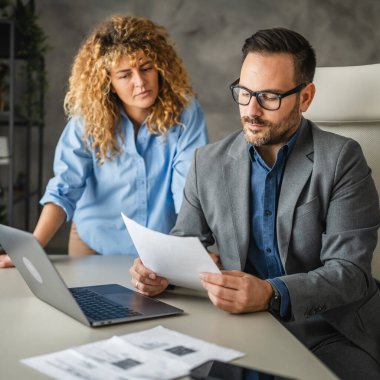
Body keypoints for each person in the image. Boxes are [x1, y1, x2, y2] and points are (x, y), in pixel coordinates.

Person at [130, 28, 380, 378]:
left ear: (305, 98)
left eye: (269, 97)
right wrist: (160, 274)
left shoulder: (341, 159)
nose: (252, 110)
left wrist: (270, 293)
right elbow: (185, 247)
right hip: (240, 327)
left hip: (328, 330)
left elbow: (351, 274)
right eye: (244, 93)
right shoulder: (207, 162)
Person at [0, 14, 208, 267]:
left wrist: (192, 251)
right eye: (124, 75)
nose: (140, 82)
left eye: (146, 68)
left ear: (160, 66)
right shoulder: (87, 120)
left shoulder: (186, 111)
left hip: (160, 250)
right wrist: (30, 249)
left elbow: (187, 187)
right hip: (93, 245)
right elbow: (65, 187)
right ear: (108, 82)